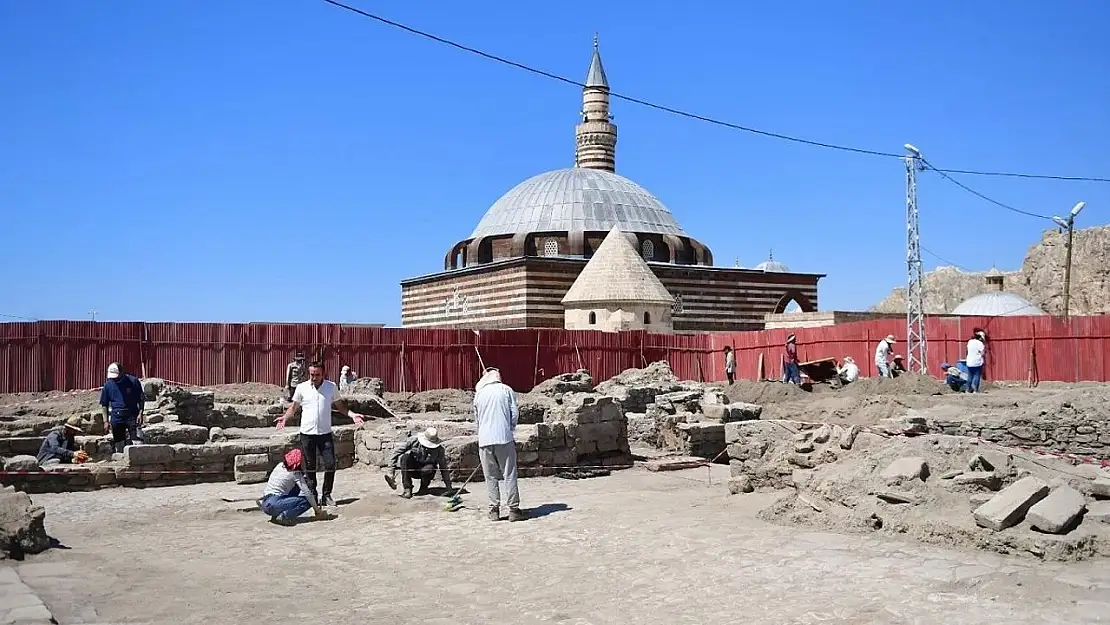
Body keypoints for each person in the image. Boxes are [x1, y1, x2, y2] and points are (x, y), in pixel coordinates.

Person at [275, 361, 366, 507]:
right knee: (310, 466)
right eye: (311, 374)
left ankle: (327, 495)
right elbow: (293, 408)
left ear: (323, 373)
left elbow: (341, 407)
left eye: (317, 374)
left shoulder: (331, 387)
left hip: (324, 434)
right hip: (307, 434)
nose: (314, 377)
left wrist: (353, 415)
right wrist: (285, 418)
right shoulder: (301, 388)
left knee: (330, 464)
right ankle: (313, 496)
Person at [474, 367, 523, 522]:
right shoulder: (507, 390)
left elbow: (477, 419)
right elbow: (514, 414)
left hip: (485, 440)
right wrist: (510, 428)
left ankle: (494, 509)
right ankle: (514, 510)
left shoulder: (479, 395)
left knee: (490, 476)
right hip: (504, 438)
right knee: (509, 474)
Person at [258, 448, 327, 526]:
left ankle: (276, 515)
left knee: (295, 488)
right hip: (274, 502)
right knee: (308, 500)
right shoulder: (295, 473)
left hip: (266, 502)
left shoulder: (279, 465)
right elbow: (307, 493)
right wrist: (317, 510)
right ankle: (285, 516)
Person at [384, 427, 453, 499]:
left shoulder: (439, 450)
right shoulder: (413, 440)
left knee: (430, 468)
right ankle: (407, 489)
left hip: (427, 472)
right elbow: (396, 452)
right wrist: (391, 472)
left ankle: (423, 488)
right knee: (405, 458)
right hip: (413, 468)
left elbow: (443, 467)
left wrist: (448, 486)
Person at [99, 362, 145, 453]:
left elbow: (141, 399)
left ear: (121, 373)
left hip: (132, 415)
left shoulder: (133, 381)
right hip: (117, 417)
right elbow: (104, 404)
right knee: (119, 444)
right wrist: (105, 421)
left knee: (138, 443)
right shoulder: (108, 385)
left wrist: (140, 413)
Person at [965, 329, 987, 393]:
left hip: (969, 361)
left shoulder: (970, 341)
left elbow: (967, 351)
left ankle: (967, 389)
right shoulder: (980, 343)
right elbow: (982, 353)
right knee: (977, 375)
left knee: (970, 376)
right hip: (977, 362)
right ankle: (975, 390)